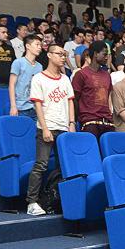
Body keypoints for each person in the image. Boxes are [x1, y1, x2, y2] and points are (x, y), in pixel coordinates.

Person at [25, 43, 75, 216]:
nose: (63, 57)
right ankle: (31, 202)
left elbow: (70, 101)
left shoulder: (65, 79)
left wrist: (71, 123)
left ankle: (55, 201)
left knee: (63, 167)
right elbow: (38, 105)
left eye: (64, 54)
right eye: (59, 54)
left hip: (63, 129)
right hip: (47, 128)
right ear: (49, 55)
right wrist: (45, 128)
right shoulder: (39, 78)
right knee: (41, 165)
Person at [71, 40, 114, 139]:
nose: (107, 57)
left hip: (107, 122)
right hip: (89, 122)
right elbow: (75, 99)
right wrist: (79, 119)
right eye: (104, 54)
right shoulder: (81, 74)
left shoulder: (107, 75)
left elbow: (108, 98)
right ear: (95, 54)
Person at [8, 34, 43, 120]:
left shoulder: (39, 66)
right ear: (28, 46)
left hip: (35, 107)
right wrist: (13, 106)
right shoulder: (18, 62)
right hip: (21, 107)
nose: (39, 47)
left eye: (40, 45)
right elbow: (12, 85)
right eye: (37, 44)